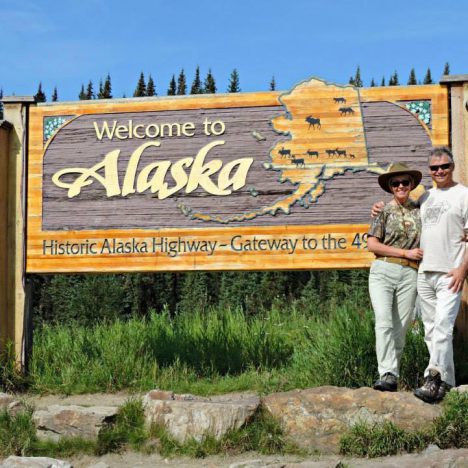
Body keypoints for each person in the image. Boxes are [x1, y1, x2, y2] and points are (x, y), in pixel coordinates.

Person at [372, 147, 468, 403]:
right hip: (424, 273)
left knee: (443, 329)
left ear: (452, 166)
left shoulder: (464, 195)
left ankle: (432, 377)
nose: (440, 171)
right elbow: (399, 212)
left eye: (444, 166)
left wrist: (462, 269)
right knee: (430, 330)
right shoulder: (424, 199)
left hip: (450, 272)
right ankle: (448, 382)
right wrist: (378, 209)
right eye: (435, 168)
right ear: (429, 171)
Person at [367, 163, 423, 392]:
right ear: (390, 187)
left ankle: (393, 375)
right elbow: (372, 243)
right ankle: (386, 372)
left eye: (404, 182)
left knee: (400, 328)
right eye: (395, 183)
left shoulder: (421, 209)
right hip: (383, 270)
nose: (400, 186)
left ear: (411, 184)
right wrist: (404, 252)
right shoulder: (382, 211)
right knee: (383, 321)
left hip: (409, 273)